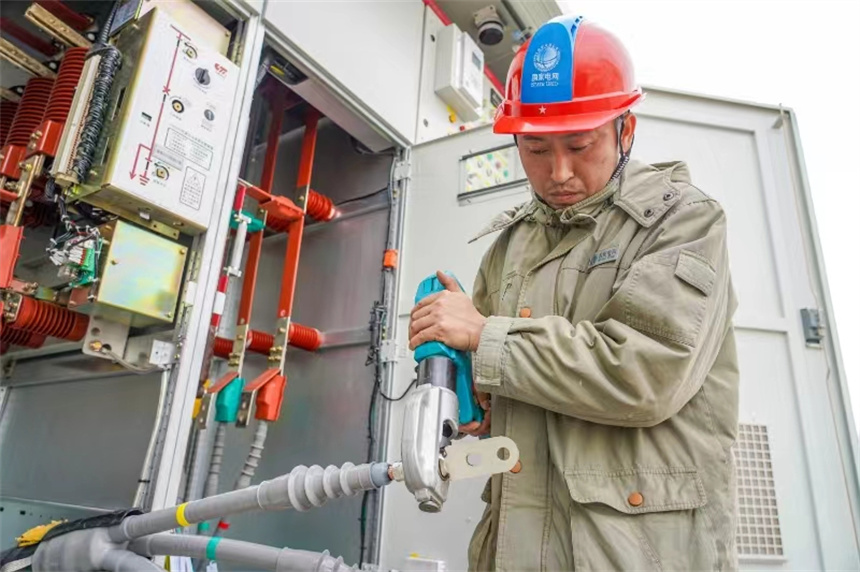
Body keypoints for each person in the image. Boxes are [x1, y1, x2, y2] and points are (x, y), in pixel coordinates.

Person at [408, 15, 739, 572]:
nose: (558, 172)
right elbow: (510, 381)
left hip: (632, 554)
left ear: (625, 131)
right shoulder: (510, 246)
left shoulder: (684, 221)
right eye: (536, 149)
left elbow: (645, 374)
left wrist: (484, 337)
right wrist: (474, 398)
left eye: (580, 145)